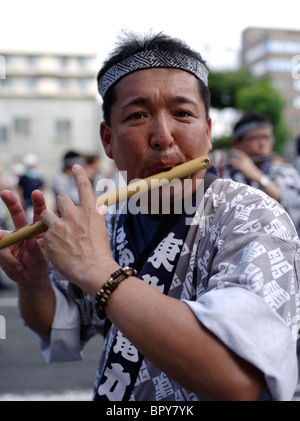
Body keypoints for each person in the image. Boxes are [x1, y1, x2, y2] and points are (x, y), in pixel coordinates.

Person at [0, 32, 299, 402]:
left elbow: (241, 382)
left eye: (183, 114)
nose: (162, 136)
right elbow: (59, 323)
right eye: (138, 115)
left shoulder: (251, 216)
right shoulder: (108, 224)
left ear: (207, 134)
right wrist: (32, 281)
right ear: (108, 140)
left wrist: (98, 270)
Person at [223, 112, 300, 235]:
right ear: (236, 143)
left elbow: (293, 208)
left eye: (267, 137)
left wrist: (257, 176)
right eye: (254, 138)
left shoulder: (286, 170)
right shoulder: (227, 174)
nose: (263, 144)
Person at [17, 153, 44, 223]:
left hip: (36, 201)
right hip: (27, 201)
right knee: (29, 220)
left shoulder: (38, 176)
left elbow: (42, 187)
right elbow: (20, 188)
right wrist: (21, 199)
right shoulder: (24, 177)